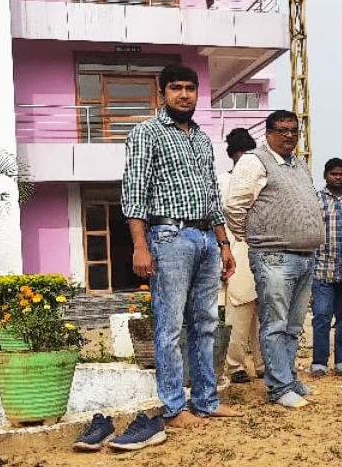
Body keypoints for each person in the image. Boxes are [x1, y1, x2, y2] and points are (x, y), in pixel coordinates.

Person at [119, 63, 240, 450]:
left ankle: (206, 400)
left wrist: (223, 243)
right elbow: (134, 193)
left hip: (206, 238)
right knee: (169, 326)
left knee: (206, 322)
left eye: (190, 88)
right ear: (162, 93)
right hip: (168, 235)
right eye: (176, 88)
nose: (184, 94)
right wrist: (140, 245)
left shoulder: (202, 139)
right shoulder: (146, 133)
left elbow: (212, 196)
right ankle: (173, 407)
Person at [224, 109, 325, 409]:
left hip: (305, 257)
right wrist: (255, 238)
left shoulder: (299, 164)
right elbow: (234, 206)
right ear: (268, 133)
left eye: (294, 130)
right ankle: (279, 388)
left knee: (293, 326)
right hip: (274, 256)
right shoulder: (254, 161)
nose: (289, 135)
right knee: (275, 323)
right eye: (282, 130)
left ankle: (288, 378)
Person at [218, 128, 264, 384]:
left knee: (263, 313)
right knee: (239, 312)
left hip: (260, 251)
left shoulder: (262, 180)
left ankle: (263, 364)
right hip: (236, 252)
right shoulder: (222, 182)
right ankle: (235, 366)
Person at [310, 157, 342, 377]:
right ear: (326, 176)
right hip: (322, 269)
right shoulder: (316, 200)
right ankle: (319, 363)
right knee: (321, 317)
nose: (338, 178)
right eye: (334, 174)